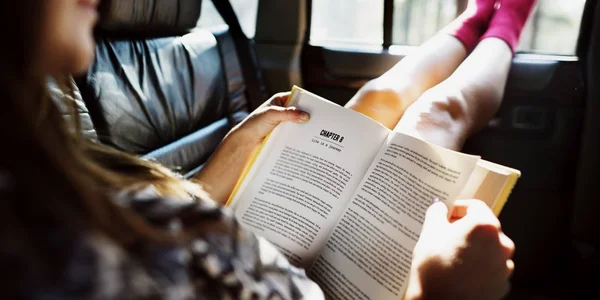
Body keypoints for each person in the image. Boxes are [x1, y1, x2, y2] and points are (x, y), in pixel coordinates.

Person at [0, 0, 532, 298]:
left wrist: (224, 160)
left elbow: (146, 226)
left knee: (377, 99)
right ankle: (503, 23)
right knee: (434, 118)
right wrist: (437, 297)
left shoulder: (43, 170)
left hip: (271, 245)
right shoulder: (36, 259)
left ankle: (477, 20)